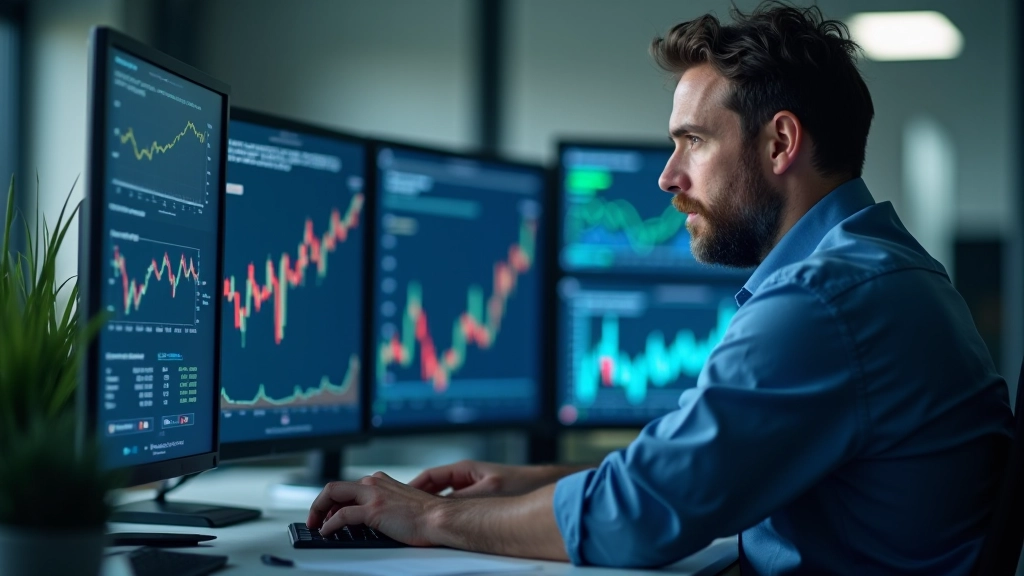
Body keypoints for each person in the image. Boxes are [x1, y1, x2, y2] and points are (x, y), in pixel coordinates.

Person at [307, 2, 1014, 573]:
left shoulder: (824, 303)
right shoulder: (882, 270)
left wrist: (430, 518)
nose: (668, 177)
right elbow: (693, 466)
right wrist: (529, 485)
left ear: (779, 144)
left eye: (693, 141)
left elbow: (642, 516)